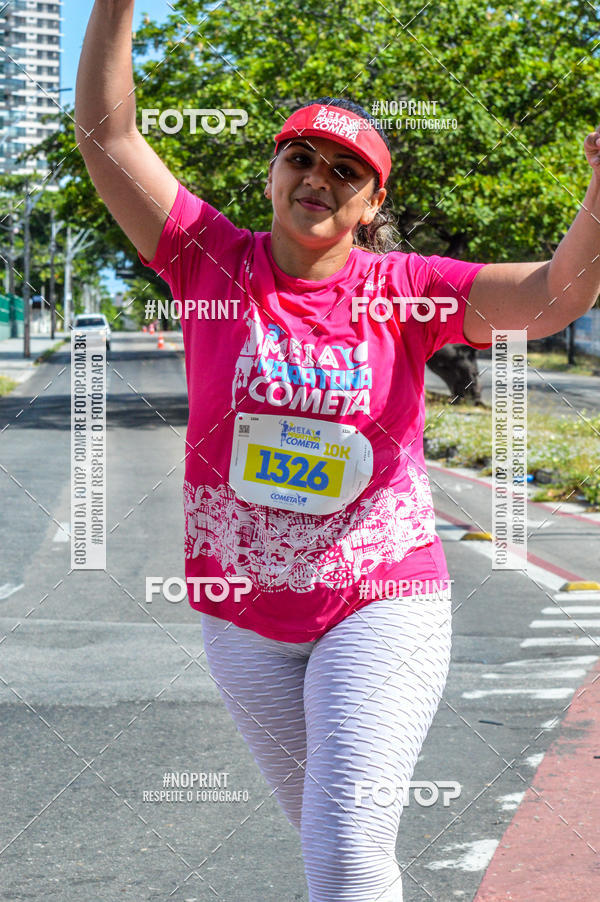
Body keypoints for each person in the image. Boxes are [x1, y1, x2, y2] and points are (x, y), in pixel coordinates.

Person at [75, 3, 600, 899]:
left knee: (346, 851)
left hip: (379, 599)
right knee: (341, 853)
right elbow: (106, 134)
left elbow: (555, 295)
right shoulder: (208, 258)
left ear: (372, 201)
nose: (319, 178)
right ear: (273, 171)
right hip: (243, 619)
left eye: (345, 170)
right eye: (302, 158)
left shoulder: (408, 290)